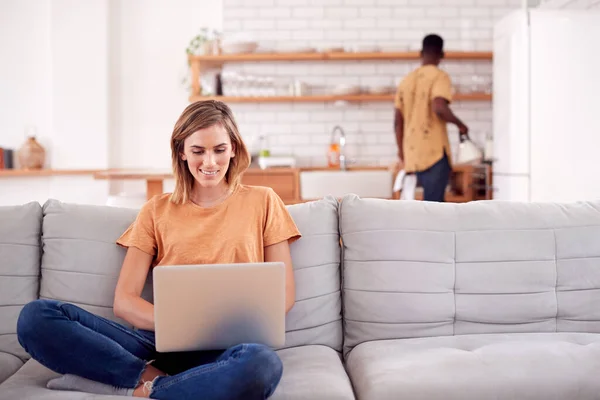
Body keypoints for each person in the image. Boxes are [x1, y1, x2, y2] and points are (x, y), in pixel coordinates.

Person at [16, 100, 302, 399]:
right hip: (155, 342)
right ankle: (154, 378)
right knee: (37, 316)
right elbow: (124, 301)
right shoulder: (156, 210)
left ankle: (143, 389)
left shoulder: (264, 201)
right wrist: (182, 326)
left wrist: (216, 329)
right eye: (197, 151)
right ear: (181, 152)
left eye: (219, 149)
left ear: (233, 148)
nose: (210, 162)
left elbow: (283, 295)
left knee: (262, 364)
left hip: (227, 348)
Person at [394, 33, 470, 202]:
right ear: (442, 55)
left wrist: (402, 152)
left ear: (421, 53)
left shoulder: (406, 81)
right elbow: (439, 107)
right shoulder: (439, 76)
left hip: (412, 155)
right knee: (435, 210)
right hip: (434, 155)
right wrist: (460, 125)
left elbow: (397, 122)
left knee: (413, 208)